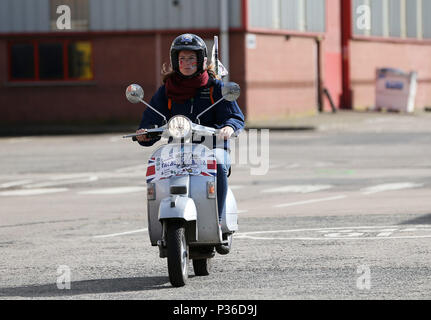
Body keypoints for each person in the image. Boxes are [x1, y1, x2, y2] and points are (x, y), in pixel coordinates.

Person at [135, 33, 245, 223]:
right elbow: (152, 119)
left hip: (213, 147)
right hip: (177, 149)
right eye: (182, 58)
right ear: (175, 61)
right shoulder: (167, 90)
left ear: (201, 60)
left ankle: (216, 220)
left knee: (218, 162)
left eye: (191, 58)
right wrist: (145, 133)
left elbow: (235, 117)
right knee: (156, 166)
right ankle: (160, 221)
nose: (186, 63)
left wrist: (228, 127)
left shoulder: (215, 88)